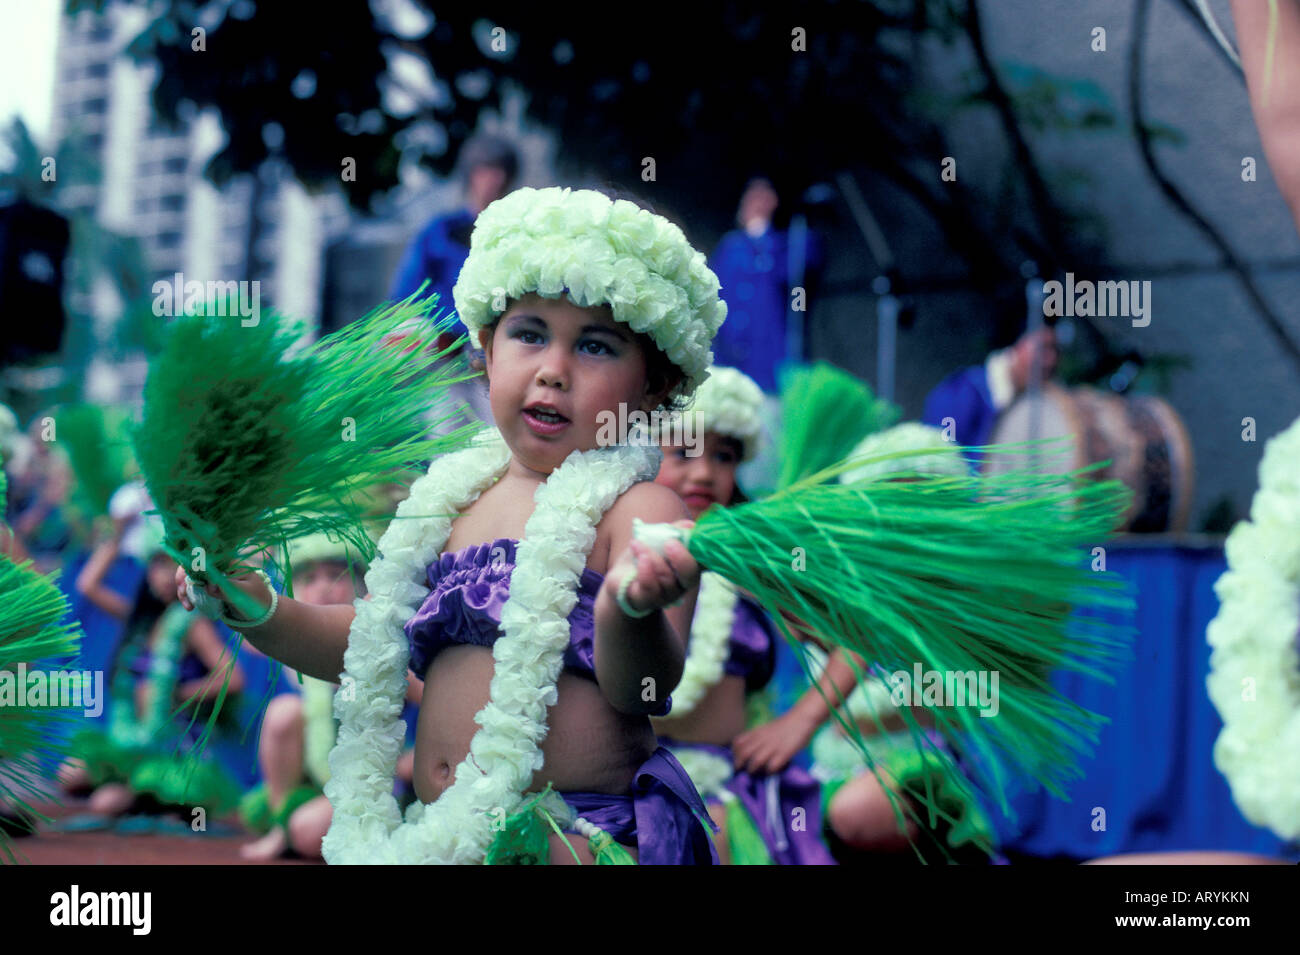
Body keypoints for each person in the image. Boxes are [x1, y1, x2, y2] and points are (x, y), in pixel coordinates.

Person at [179, 186, 726, 864]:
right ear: (486, 354)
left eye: (595, 345)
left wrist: (627, 608)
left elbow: (644, 688)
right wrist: (255, 606)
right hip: (441, 832)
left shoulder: (642, 510)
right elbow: (368, 644)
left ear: (651, 385)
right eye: (529, 334)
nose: (553, 370)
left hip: (575, 836)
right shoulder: (451, 499)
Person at [388, 135, 521, 426]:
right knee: (446, 442)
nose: (494, 179)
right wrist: (439, 334)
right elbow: (406, 300)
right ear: (470, 175)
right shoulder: (438, 232)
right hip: (445, 362)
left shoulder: (520, 237)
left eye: (501, 171)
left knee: (501, 443)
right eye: (486, 169)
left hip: (501, 366)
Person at [921, 321, 1059, 454]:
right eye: (1044, 348)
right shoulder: (964, 391)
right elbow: (941, 457)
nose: (1051, 360)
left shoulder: (1032, 403)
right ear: (1017, 345)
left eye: (1056, 351)